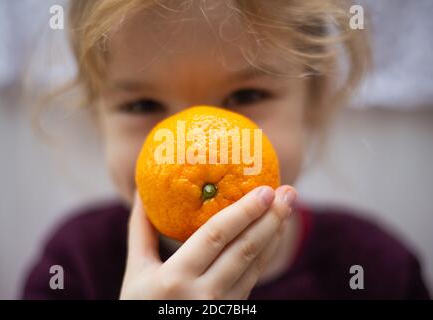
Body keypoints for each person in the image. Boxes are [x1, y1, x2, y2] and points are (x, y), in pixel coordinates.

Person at [22, 0, 430, 299]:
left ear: (312, 102)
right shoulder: (73, 266)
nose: (194, 150)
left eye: (246, 95)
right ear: (98, 119)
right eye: (143, 105)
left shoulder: (376, 270)